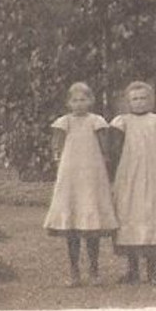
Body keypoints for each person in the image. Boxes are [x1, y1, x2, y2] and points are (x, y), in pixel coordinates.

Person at [42, 81, 118, 286]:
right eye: (75, 100)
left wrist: (106, 158)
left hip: (92, 175)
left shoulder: (96, 121)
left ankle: (94, 271)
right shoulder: (64, 122)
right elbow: (56, 146)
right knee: (72, 225)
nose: (79, 104)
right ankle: (74, 272)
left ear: (91, 101)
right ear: (68, 103)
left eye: (83, 99)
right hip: (71, 175)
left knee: (91, 222)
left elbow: (105, 147)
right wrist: (57, 158)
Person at [108, 80, 156, 284]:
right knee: (129, 215)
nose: (139, 102)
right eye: (134, 99)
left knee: (151, 216)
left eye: (143, 98)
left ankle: (152, 271)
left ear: (151, 100)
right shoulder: (123, 122)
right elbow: (115, 152)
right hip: (129, 176)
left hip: (152, 176)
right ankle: (132, 270)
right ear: (128, 102)